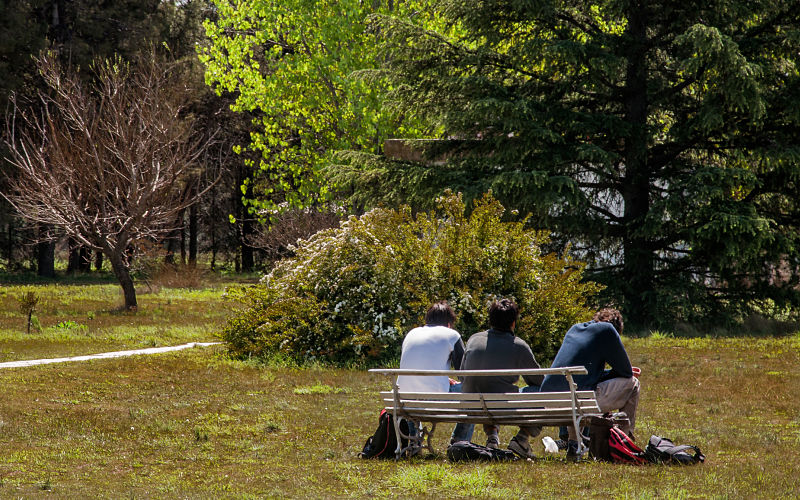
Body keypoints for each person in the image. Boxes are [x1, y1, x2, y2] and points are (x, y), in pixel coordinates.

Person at [540, 308, 640, 461]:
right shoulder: (608, 330)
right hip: (579, 402)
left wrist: (606, 373)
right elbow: (626, 372)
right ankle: (622, 442)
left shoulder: (575, 329)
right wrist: (612, 373)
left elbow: (585, 375)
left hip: (551, 402)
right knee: (633, 384)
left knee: (577, 389)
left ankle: (574, 444)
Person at [460, 298, 543, 459]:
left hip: (471, 405)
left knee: (486, 389)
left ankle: (492, 438)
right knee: (541, 391)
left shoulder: (473, 339)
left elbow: (462, 375)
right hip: (503, 407)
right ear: (513, 322)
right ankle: (522, 438)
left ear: (490, 320)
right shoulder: (518, 345)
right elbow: (539, 381)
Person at [396, 301, 474, 443]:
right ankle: (459, 441)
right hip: (435, 398)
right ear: (449, 323)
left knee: (414, 394)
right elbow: (464, 374)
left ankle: (414, 442)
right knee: (474, 392)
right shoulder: (452, 335)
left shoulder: (412, 333)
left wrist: (444, 379)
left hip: (404, 398)